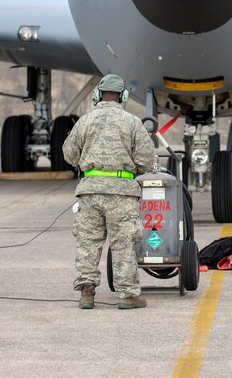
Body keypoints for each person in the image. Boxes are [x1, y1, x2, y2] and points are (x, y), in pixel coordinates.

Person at [62, 73, 155, 309]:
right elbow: (146, 157)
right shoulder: (132, 122)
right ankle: (127, 296)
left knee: (88, 243)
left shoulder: (85, 121)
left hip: (90, 192)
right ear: (123, 96)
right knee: (123, 244)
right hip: (122, 194)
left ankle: (86, 294)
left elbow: (69, 154)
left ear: (97, 95)